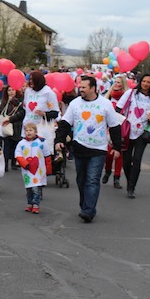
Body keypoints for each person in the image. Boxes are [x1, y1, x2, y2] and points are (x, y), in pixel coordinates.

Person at [55, 75, 122, 223]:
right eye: (80, 87)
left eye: (84, 87)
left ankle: (88, 210)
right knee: (81, 180)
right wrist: (59, 140)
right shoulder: (75, 104)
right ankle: (85, 205)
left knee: (92, 180)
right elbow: (65, 123)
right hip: (80, 146)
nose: (81, 89)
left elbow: (115, 126)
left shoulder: (105, 104)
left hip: (98, 149)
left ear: (93, 88)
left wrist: (117, 147)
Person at [116, 74, 150, 199]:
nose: (145, 84)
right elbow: (118, 108)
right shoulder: (131, 93)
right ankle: (130, 180)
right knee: (126, 161)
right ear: (140, 82)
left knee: (137, 161)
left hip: (142, 133)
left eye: (148, 82)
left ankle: (131, 188)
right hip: (127, 131)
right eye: (144, 81)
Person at [15, 122, 51, 214]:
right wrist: (24, 164)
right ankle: (29, 203)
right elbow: (18, 154)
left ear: (35, 132)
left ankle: (36, 204)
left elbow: (47, 155)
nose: (28, 132)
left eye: (30, 130)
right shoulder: (21, 143)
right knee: (29, 188)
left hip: (39, 170)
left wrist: (48, 168)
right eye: (26, 130)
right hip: (27, 170)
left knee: (36, 188)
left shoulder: (41, 142)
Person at [102, 74, 128, 189]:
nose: (117, 84)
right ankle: (108, 170)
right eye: (115, 82)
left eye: (119, 83)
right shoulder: (108, 97)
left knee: (119, 153)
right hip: (108, 128)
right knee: (108, 153)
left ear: (123, 85)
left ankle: (117, 177)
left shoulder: (127, 98)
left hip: (121, 128)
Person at [0, 85, 24, 173]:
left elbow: (22, 112)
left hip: (17, 126)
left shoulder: (20, 101)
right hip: (7, 126)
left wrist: (15, 102)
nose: (11, 92)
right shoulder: (4, 102)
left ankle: (14, 162)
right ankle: (5, 164)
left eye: (13, 90)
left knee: (16, 145)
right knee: (7, 146)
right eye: (9, 90)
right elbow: (2, 111)